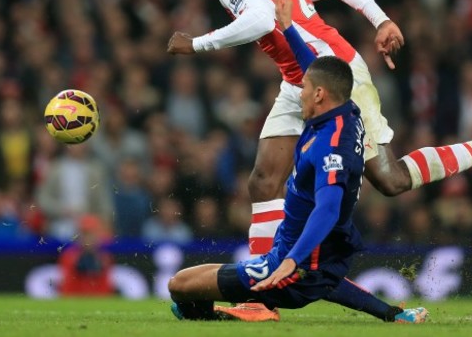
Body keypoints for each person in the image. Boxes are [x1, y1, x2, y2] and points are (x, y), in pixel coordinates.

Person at [168, 0, 472, 315]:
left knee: (390, 180)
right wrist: (381, 21)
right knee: (263, 180)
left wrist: (197, 44)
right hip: (299, 82)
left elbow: (260, 21)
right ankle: (259, 300)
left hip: (337, 78)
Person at [168, 54, 427, 324]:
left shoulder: (329, 147)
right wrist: (289, 28)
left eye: (303, 87)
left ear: (319, 94)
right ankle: (394, 315)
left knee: (179, 286)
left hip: (285, 266)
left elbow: (328, 209)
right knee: (320, 277)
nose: (299, 93)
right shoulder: (347, 112)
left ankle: (236, 315)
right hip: (317, 266)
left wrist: (291, 260)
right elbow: (320, 71)